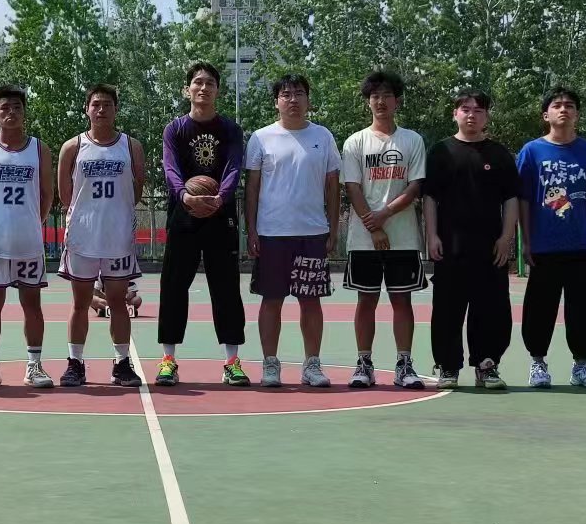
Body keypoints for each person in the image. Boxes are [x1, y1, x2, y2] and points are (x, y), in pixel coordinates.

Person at [244, 72, 340, 387]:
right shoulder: (261, 138)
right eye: (286, 94)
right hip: (272, 234)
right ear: (276, 102)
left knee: (311, 301)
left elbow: (333, 186)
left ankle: (312, 365)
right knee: (271, 300)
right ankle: (270, 364)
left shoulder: (323, 136)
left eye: (299, 93)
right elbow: (252, 188)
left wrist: (333, 229)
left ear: (308, 100)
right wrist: (251, 230)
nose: (293, 99)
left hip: (312, 233)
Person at [157, 62, 249, 386]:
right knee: (173, 286)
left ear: (218, 90)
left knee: (226, 288)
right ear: (187, 90)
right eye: (197, 82)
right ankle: (168, 360)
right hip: (183, 214)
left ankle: (232, 362)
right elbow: (170, 168)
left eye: (210, 83)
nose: (203, 88)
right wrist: (185, 196)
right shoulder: (175, 129)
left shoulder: (231, 129)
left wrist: (219, 198)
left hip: (220, 214)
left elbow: (234, 167)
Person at [422, 89, 518, 389]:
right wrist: (432, 235)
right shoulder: (441, 151)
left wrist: (506, 237)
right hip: (450, 246)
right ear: (455, 114)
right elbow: (430, 197)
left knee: (491, 308)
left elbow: (511, 199)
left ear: (486, 116)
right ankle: (448, 366)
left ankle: (486, 365)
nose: (471, 115)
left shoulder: (499, 154)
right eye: (465, 109)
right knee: (447, 309)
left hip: (490, 248)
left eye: (478, 110)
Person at [516, 86, 586, 389]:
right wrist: (526, 241)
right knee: (539, 308)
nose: (564, 109)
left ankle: (581, 365)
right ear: (546, 115)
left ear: (577, 114)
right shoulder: (531, 152)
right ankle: (538, 363)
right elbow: (523, 200)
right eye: (557, 105)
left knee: (584, 310)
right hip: (544, 245)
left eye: (569, 105)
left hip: (581, 244)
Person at [339, 70, 428, 389]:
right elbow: (352, 187)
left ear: (397, 101)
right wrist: (373, 226)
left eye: (387, 95)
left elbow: (415, 186)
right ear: (368, 102)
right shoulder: (355, 142)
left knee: (402, 301)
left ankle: (404, 364)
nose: (380, 101)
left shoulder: (412, 140)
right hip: (365, 239)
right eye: (375, 96)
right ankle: (364, 363)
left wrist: (385, 214)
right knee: (366, 300)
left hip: (403, 236)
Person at [57, 84, 146, 387]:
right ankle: (75, 363)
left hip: (117, 238)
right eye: (96, 104)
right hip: (83, 237)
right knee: (80, 303)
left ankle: (121, 363)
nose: (101, 109)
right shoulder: (73, 147)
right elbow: (65, 195)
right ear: (87, 109)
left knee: (118, 302)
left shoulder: (131, 146)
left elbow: (136, 191)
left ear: (116, 109)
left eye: (107, 104)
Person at [0, 85, 55, 389]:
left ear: (24, 112)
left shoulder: (39, 149)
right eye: (5, 107)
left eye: (17, 107)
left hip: (27, 241)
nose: (11, 112)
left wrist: (34, 221)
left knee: (32, 304)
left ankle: (34, 365)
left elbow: (47, 194)